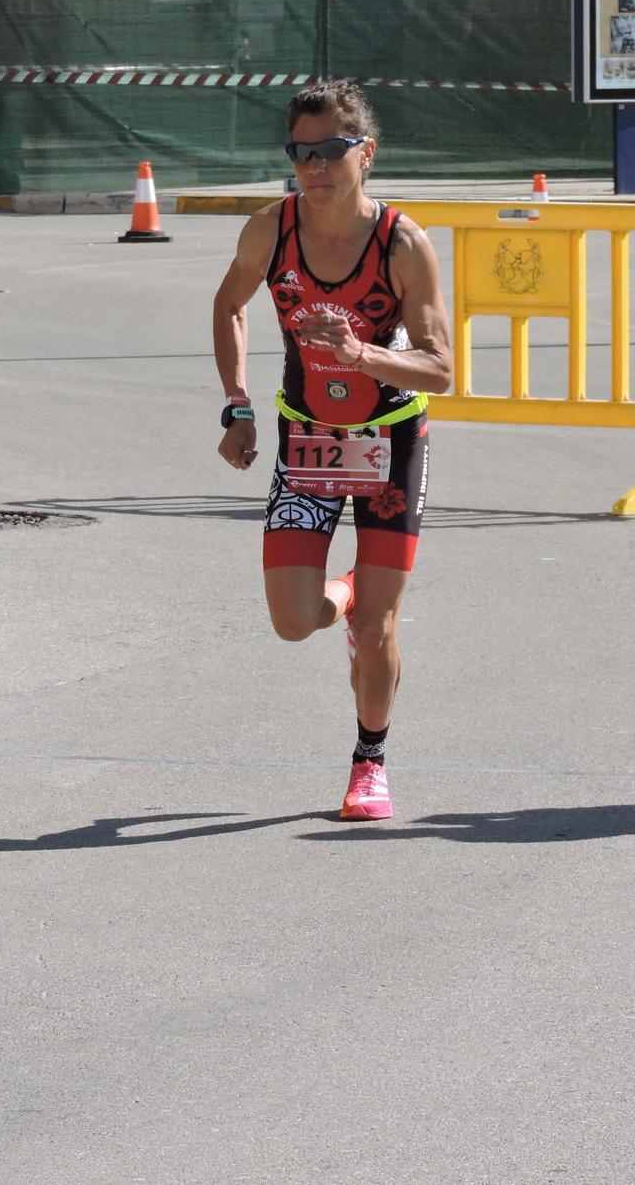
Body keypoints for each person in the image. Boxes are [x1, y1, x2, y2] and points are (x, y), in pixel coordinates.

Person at [212, 80, 452, 821]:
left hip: (391, 441)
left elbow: (441, 368)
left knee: (381, 626)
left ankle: (369, 761)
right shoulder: (269, 230)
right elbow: (229, 306)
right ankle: (340, 597)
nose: (314, 168)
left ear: (365, 153)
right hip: (306, 438)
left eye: (329, 152)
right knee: (291, 619)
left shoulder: (403, 244)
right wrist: (238, 404)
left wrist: (363, 354)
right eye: (300, 153)